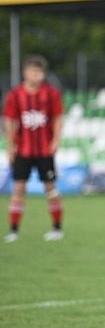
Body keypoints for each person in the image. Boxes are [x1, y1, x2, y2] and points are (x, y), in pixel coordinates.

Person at [4, 55, 65, 243]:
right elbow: (9, 121)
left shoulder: (51, 93)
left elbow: (58, 117)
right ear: (25, 73)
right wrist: (10, 145)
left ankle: (57, 229)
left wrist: (56, 140)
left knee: (51, 188)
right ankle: (14, 231)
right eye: (33, 71)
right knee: (18, 189)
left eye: (39, 72)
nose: (36, 75)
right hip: (23, 151)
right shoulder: (15, 95)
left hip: (44, 151)